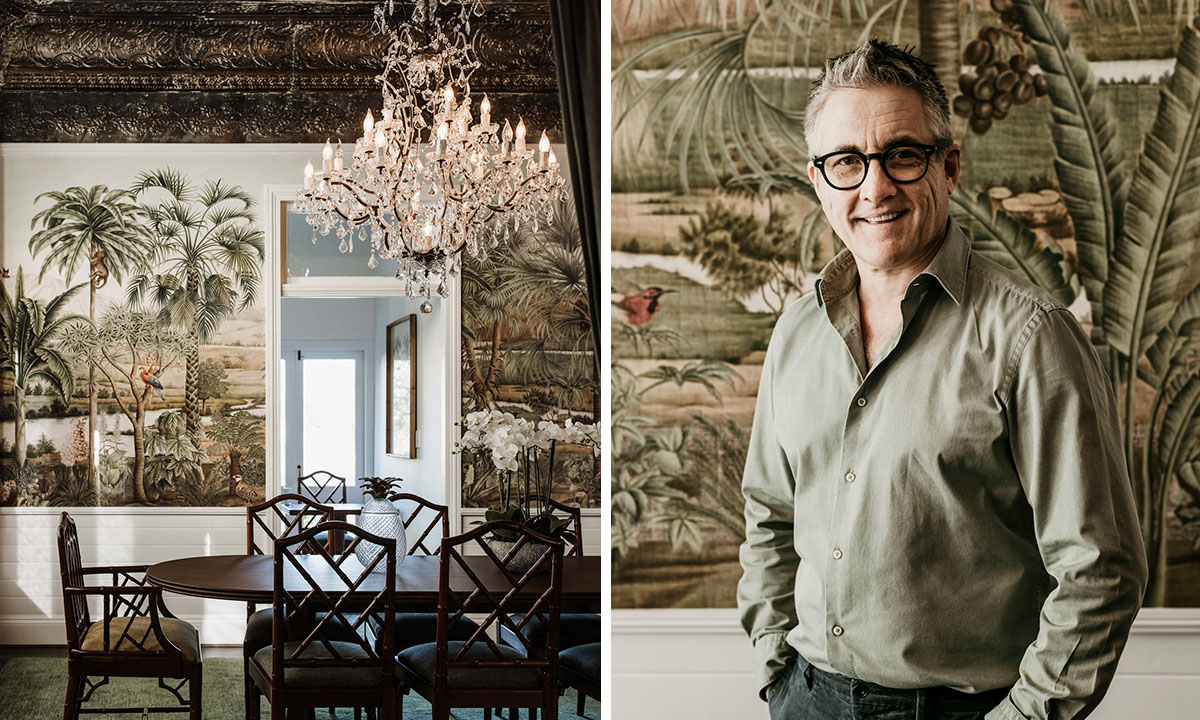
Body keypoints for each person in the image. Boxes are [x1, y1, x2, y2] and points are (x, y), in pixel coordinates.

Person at [737, 39, 1147, 720]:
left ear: (948, 164)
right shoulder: (796, 331)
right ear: (819, 181)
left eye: (901, 154)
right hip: (807, 698)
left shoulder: (1030, 337)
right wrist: (777, 666)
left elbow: (1100, 570)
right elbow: (768, 516)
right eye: (846, 162)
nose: (874, 188)